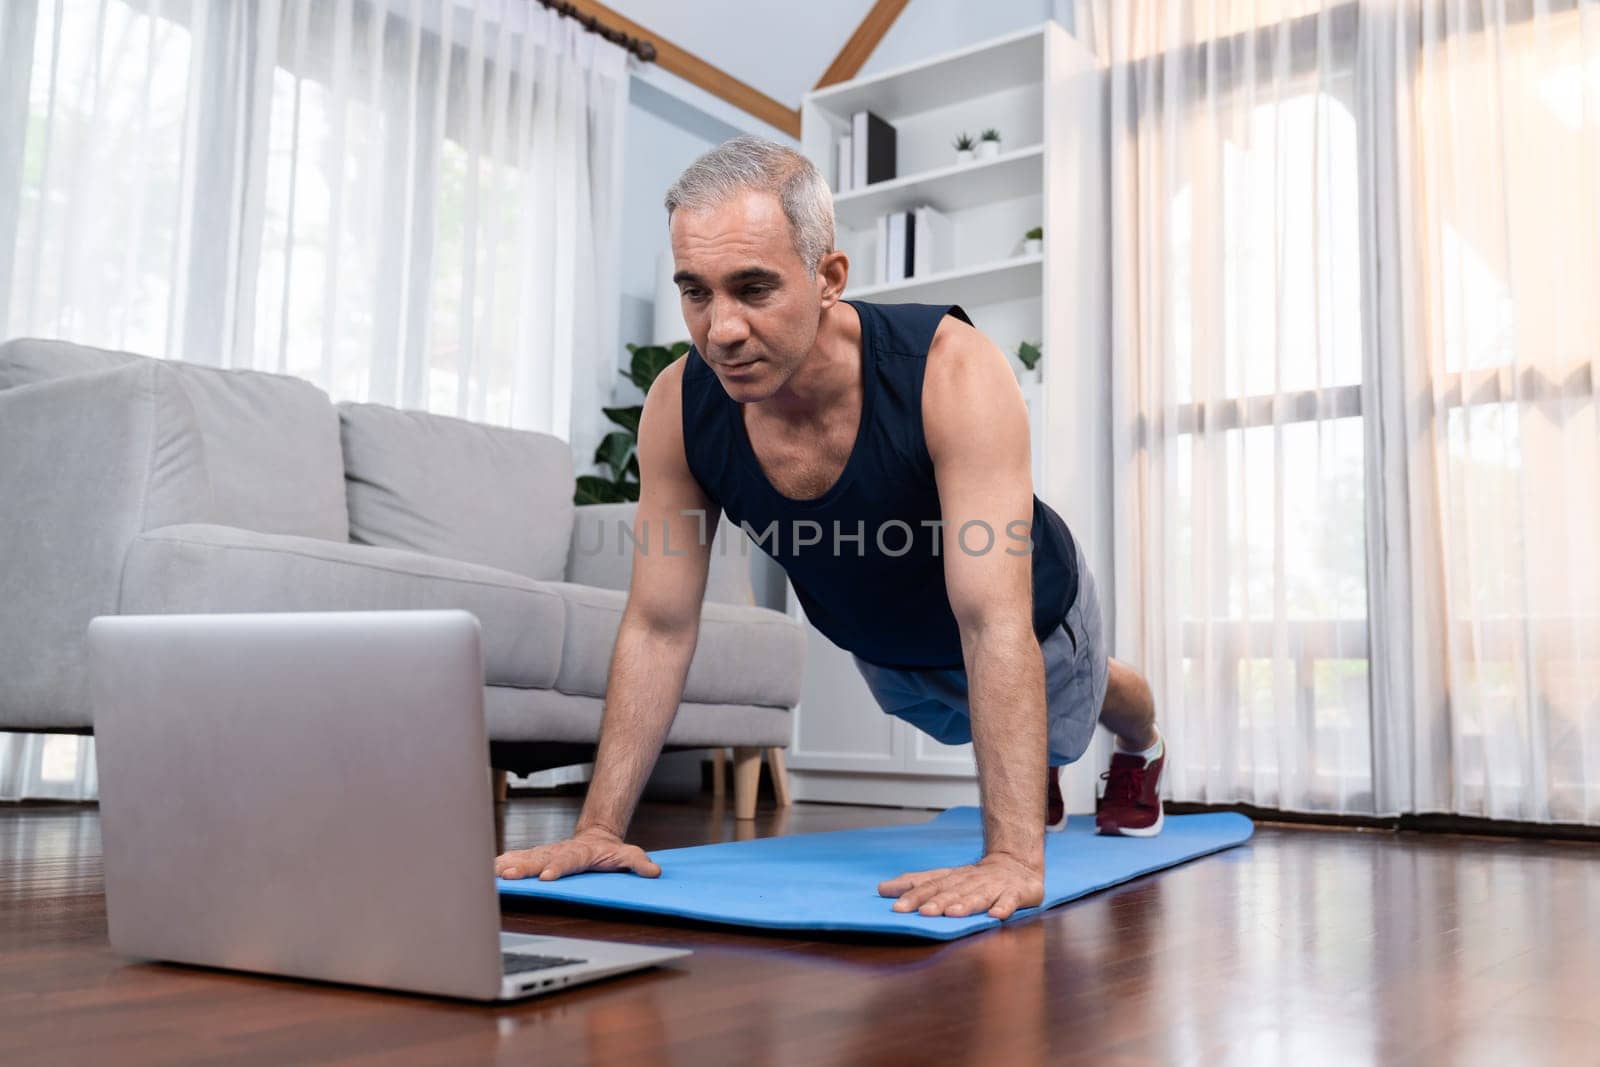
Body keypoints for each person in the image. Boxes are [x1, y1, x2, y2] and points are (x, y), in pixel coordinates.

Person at [496, 136, 1166, 921]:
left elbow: (992, 619)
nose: (721, 330)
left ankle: (1138, 745)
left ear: (828, 278)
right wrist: (599, 828)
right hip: (890, 652)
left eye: (753, 288)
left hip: (1033, 619)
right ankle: (1027, 756)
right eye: (697, 292)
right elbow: (658, 622)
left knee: (1065, 728)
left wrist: (1014, 856)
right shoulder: (679, 405)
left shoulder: (951, 368)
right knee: (973, 723)